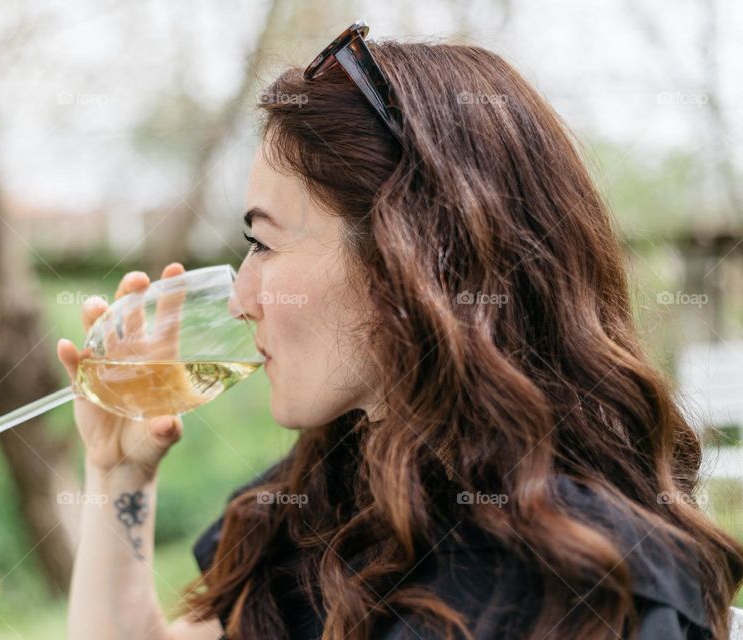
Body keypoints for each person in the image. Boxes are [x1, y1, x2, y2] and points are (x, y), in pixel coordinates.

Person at [58, 23, 743, 640]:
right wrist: (119, 475)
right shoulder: (312, 506)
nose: (241, 299)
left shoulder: (598, 580)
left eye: (265, 243)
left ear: (408, 253)